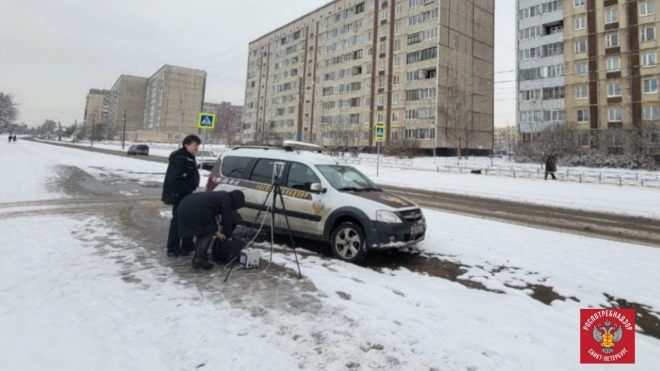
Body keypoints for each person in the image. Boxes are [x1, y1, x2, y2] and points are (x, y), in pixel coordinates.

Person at [177, 190, 246, 270]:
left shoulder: (222, 196)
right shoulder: (226, 201)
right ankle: (199, 258)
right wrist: (227, 236)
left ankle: (199, 257)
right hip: (195, 210)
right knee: (208, 232)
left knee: (202, 231)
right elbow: (227, 220)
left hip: (184, 205)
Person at [162, 135, 201, 257]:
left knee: (187, 219)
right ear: (186, 144)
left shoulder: (189, 157)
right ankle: (173, 248)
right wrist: (187, 190)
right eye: (195, 145)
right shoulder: (179, 159)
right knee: (178, 221)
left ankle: (187, 244)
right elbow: (174, 179)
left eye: (198, 145)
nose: (197, 148)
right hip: (179, 195)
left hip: (186, 194)